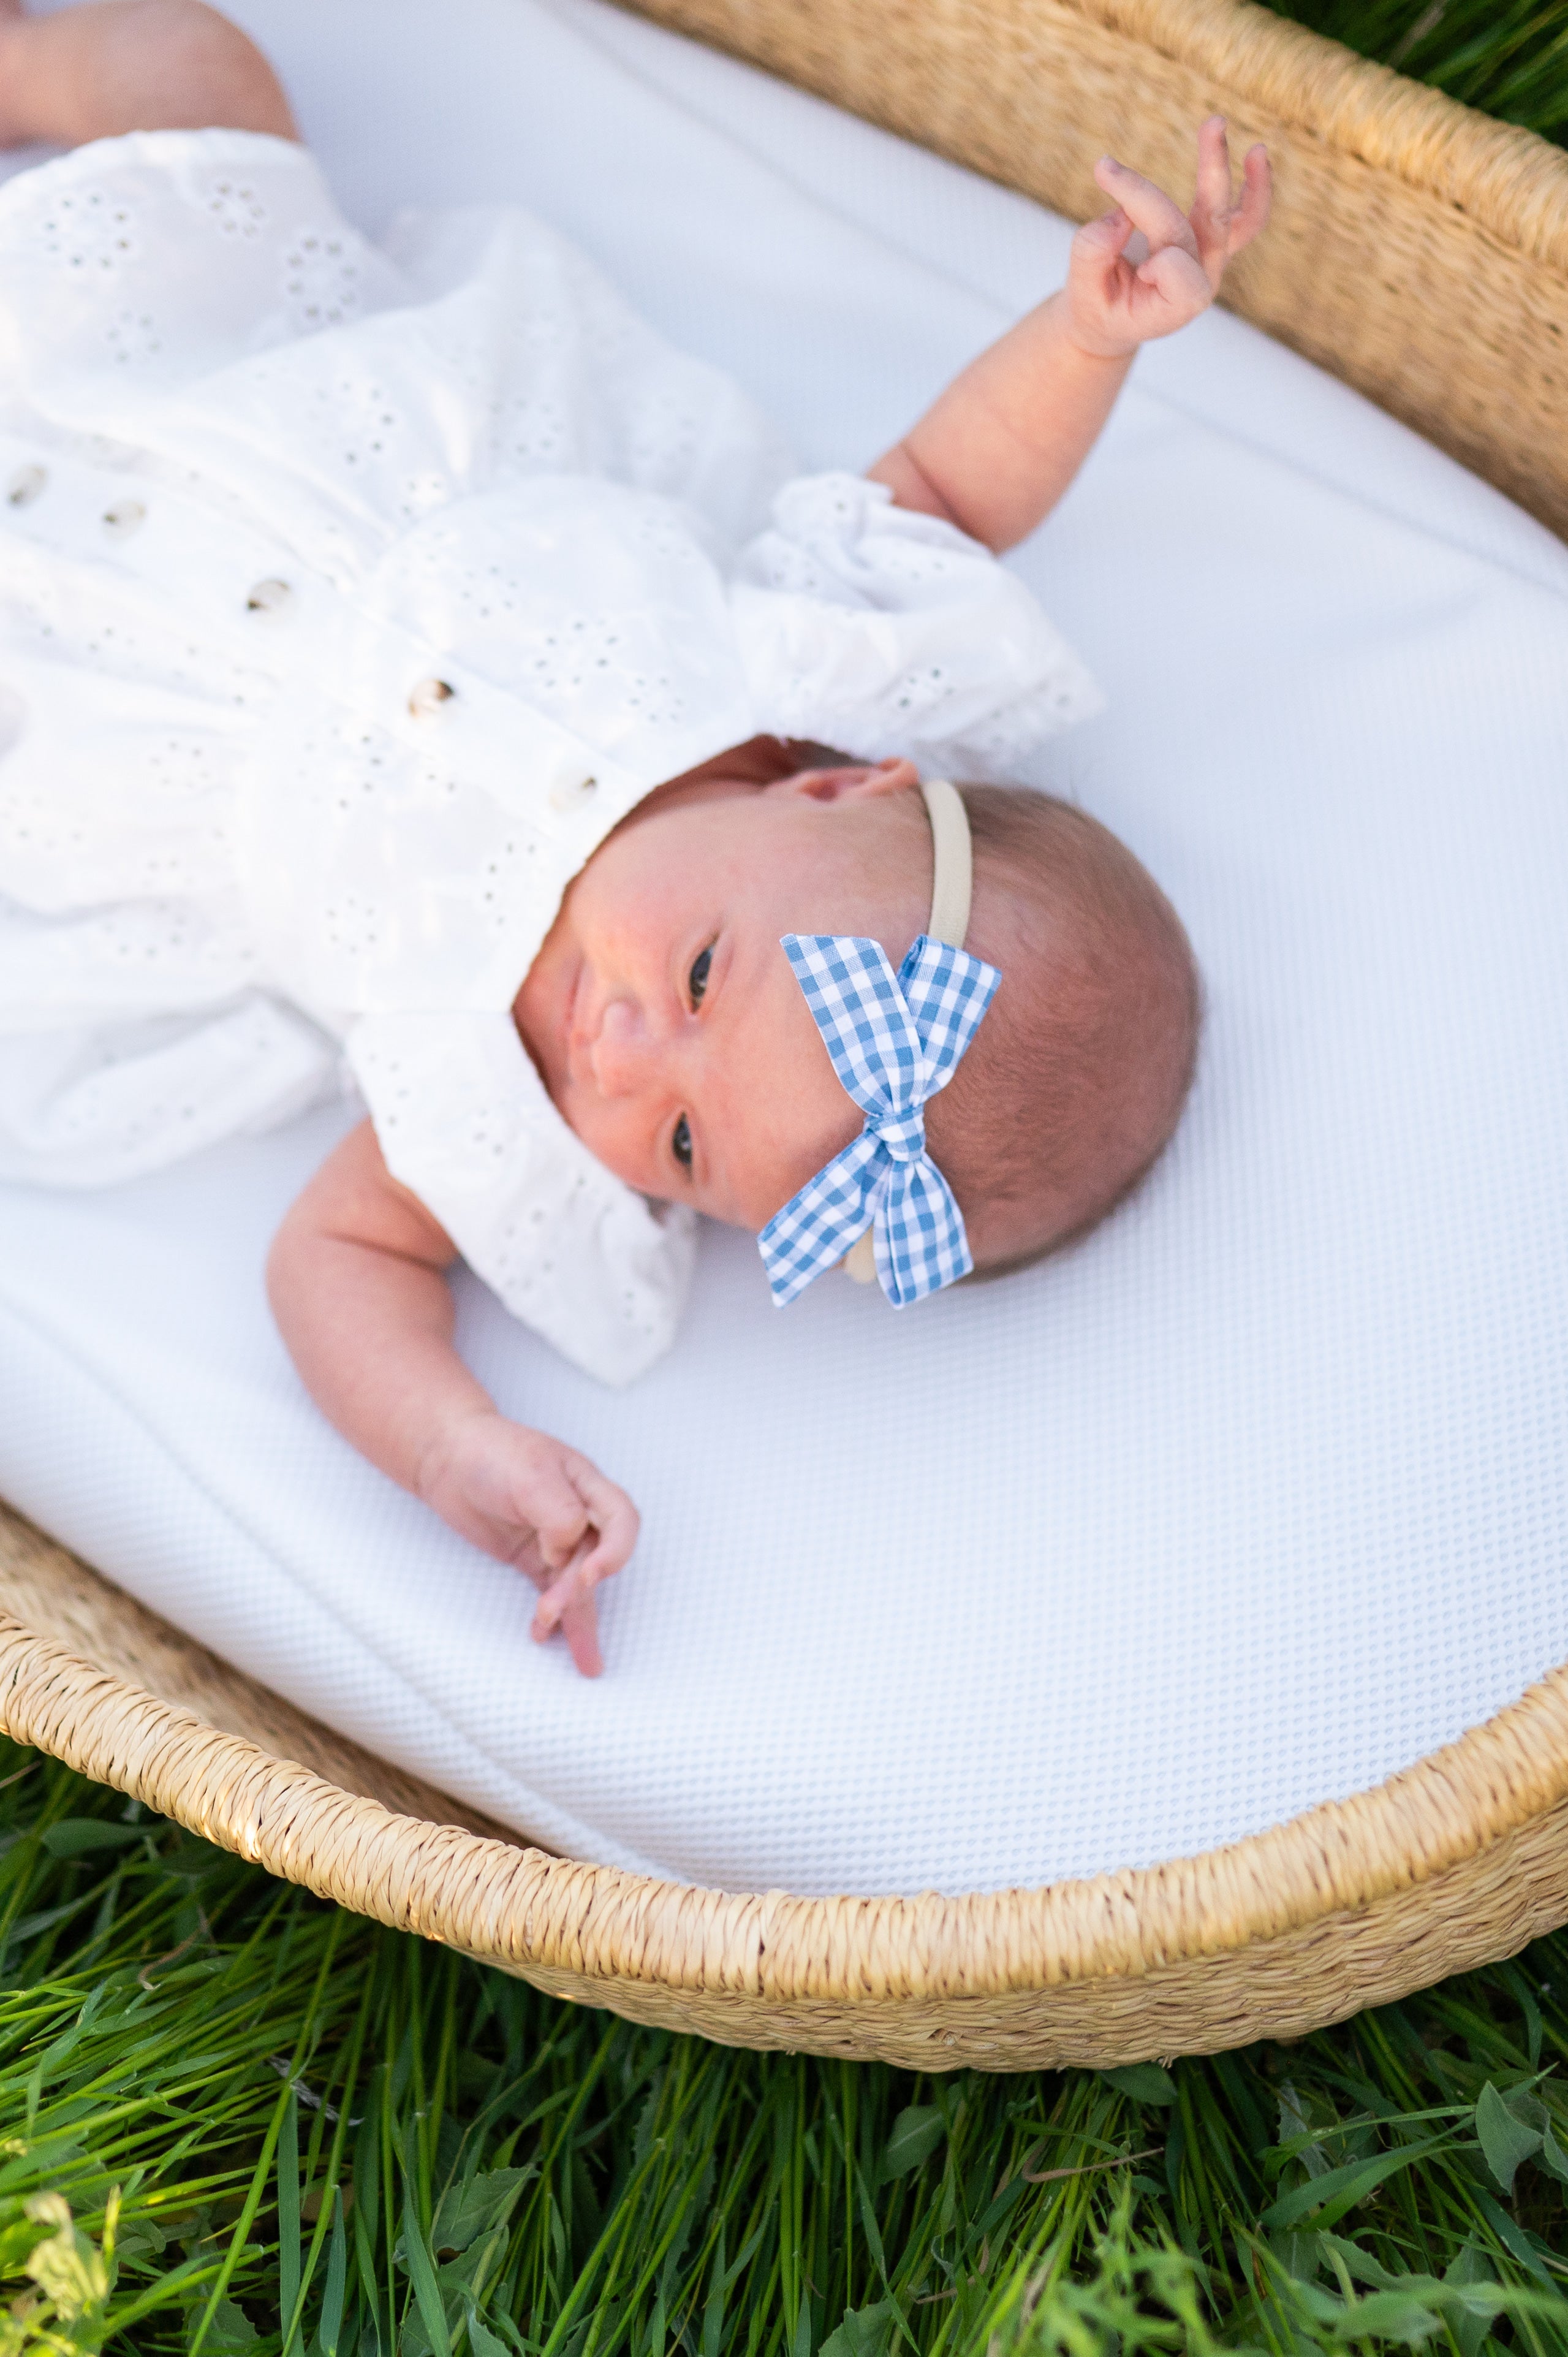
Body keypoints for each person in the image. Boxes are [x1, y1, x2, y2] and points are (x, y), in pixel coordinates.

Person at [0, 0, 1270, 1671]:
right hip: (248, 374)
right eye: (698, 977)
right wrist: (1090, 339)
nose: (616, 1055)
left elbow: (343, 1258)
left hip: (80, 709)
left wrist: (455, 1447)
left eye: (678, 1148)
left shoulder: (496, 1088)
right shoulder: (771, 660)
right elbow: (949, 494)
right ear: (828, 787)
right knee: (198, 89)